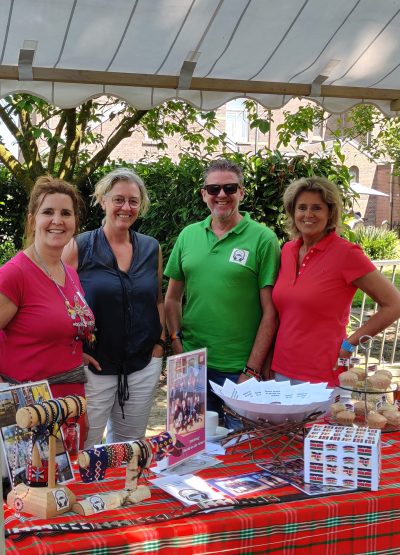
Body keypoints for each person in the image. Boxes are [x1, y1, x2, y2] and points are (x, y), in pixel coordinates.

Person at [164, 159, 280, 423]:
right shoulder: (188, 235)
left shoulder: (263, 239)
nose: (222, 195)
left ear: (241, 192)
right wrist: (176, 343)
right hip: (191, 366)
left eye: (229, 188)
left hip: (238, 371)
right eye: (214, 189)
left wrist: (251, 370)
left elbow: (270, 312)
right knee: (189, 449)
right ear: (204, 193)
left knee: (240, 452)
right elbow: (172, 298)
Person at [63, 167, 165, 448]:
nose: (126, 207)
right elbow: (59, 302)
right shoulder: (79, 247)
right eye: (118, 199)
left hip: (142, 365)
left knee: (129, 449)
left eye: (133, 201)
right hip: (94, 367)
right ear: (103, 200)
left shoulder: (150, 248)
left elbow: (157, 298)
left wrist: (160, 343)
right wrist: (74, 350)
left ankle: (124, 494)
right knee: (85, 446)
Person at [271, 176, 400, 386]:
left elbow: (394, 304)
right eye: (301, 207)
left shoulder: (346, 254)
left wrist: (349, 344)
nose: (308, 214)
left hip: (322, 375)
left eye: (317, 208)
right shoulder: (287, 250)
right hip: (281, 370)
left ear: (330, 213)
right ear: (292, 212)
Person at [0, 175, 95, 399]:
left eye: (66, 213)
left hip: (71, 400)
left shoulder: (70, 273)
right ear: (32, 221)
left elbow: (55, 327)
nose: (57, 220)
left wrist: (70, 355)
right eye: (48, 212)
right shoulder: (15, 274)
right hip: (30, 407)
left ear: (75, 222)